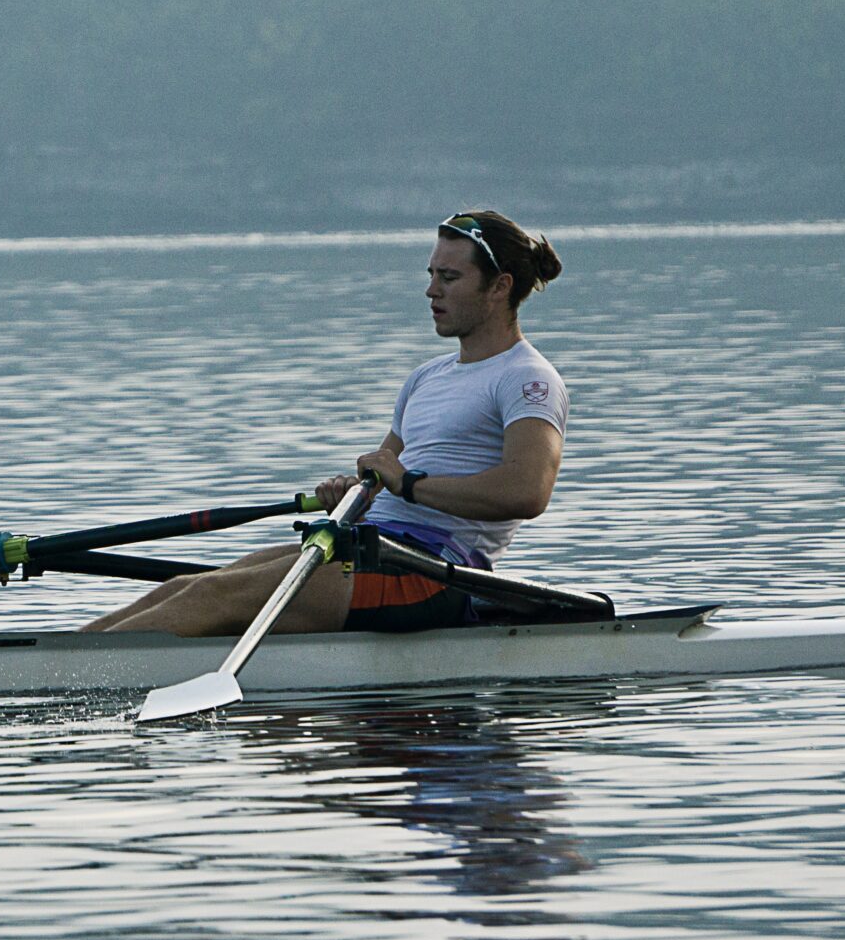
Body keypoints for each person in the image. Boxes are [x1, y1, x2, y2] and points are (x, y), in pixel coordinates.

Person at [82, 210, 566, 636]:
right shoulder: (426, 377)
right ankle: (48, 665)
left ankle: (62, 681)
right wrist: (352, 490)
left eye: (449, 277)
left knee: (213, 600)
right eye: (431, 274)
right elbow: (381, 476)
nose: (431, 290)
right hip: (366, 544)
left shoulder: (526, 378)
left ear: (500, 286)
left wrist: (409, 485)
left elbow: (527, 492)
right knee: (194, 585)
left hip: (432, 570)